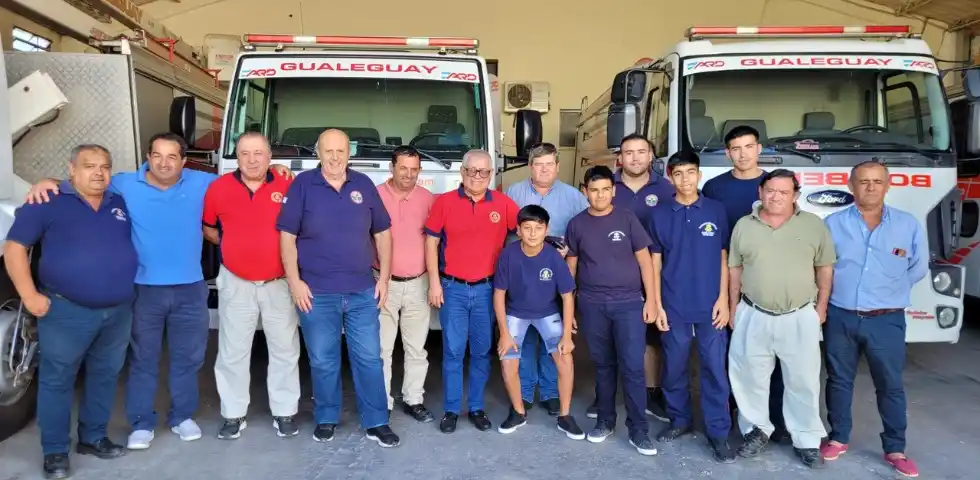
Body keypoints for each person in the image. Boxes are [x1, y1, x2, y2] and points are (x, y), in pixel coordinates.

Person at [24, 133, 293, 450]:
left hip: (190, 287)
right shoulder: (123, 183)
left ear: (183, 161)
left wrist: (276, 168)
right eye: (158, 156)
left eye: (172, 157)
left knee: (188, 358)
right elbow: (87, 181)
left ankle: (182, 417)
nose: (164, 163)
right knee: (143, 358)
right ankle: (142, 423)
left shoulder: (204, 183)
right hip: (144, 289)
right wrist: (48, 182)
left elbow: (247, 176)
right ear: (148, 157)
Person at [4, 145, 137, 479]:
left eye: (104, 167)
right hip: (67, 311)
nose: (98, 173)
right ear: (72, 170)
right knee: (57, 380)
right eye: (89, 166)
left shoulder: (118, 203)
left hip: (117, 311)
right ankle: (55, 452)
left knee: (105, 376)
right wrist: (29, 295)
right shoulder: (46, 201)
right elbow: (15, 248)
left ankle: (93, 437)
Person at [276, 128, 399, 447]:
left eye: (340, 151)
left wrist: (384, 278)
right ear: (318, 153)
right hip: (316, 293)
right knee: (322, 360)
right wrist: (295, 282)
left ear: (349, 153)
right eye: (328, 151)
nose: (334, 157)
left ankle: (376, 421)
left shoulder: (363, 184)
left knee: (369, 359)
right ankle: (327, 417)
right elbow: (287, 237)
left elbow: (383, 233)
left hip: (361, 291)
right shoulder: (302, 185)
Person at [821, 161, 926, 478]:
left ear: (887, 185)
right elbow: (822, 266)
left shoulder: (907, 225)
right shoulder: (832, 223)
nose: (870, 187)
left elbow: (918, 267)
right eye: (863, 181)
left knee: (890, 384)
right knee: (839, 380)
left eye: (877, 182)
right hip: (841, 316)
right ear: (850, 186)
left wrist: (889, 291)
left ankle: (895, 448)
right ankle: (838, 437)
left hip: (886, 319)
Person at [727, 168, 836, 468]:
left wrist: (821, 307)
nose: (776, 197)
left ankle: (807, 440)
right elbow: (735, 268)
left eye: (784, 192)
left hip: (799, 315)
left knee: (803, 381)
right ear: (760, 192)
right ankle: (756, 431)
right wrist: (733, 307)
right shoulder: (744, 225)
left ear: (795, 195)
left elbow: (824, 268)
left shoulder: (813, 225)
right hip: (753, 313)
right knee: (749, 377)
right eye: (770, 190)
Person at [203, 132, 301, 439]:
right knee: (232, 350)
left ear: (270, 157)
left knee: (285, 349)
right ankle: (233, 414)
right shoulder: (219, 188)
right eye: (245, 153)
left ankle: (284, 411)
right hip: (236, 282)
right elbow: (209, 229)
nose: (252, 160)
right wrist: (237, 247)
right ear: (237, 157)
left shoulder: (288, 183)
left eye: (259, 153)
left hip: (279, 282)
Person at [646, 150, 735, 463]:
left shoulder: (715, 210)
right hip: (674, 304)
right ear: (670, 177)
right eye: (678, 173)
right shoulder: (659, 214)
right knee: (674, 366)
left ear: (699, 175)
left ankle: (718, 431)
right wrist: (657, 304)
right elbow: (655, 263)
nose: (685, 179)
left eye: (690, 172)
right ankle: (679, 419)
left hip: (711, 305)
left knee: (714, 368)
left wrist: (724, 300)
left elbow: (724, 257)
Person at [701, 124, 788, 443]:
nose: (743, 154)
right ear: (727, 153)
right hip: (727, 278)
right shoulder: (714, 188)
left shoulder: (773, 185)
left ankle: (775, 420)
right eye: (736, 149)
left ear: (759, 149)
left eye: (749, 147)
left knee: (773, 354)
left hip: (768, 280)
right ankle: (734, 415)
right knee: (732, 353)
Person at [565, 165, 659, 456]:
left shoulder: (627, 219)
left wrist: (651, 300)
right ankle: (605, 421)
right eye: (594, 190)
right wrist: (570, 309)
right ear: (585, 192)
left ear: (613, 191)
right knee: (603, 365)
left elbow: (645, 262)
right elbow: (571, 268)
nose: (600, 195)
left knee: (632, 366)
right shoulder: (577, 224)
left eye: (606, 189)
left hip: (628, 303)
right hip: (592, 303)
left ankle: (638, 429)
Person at [424, 149, 519, 434]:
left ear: (491, 174)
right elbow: (431, 243)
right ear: (462, 172)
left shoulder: (503, 203)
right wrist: (434, 282)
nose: (477, 176)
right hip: (452, 288)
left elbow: (528, 231)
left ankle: (476, 407)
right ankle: (451, 410)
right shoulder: (444, 202)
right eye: (471, 170)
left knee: (481, 352)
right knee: (453, 351)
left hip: (487, 290)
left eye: (484, 171)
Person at [592, 133, 673, 422]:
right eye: (628, 152)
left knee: (653, 337)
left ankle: (651, 393)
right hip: (613, 278)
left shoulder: (667, 189)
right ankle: (605, 395)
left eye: (641, 151)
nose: (635, 158)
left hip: (655, 274)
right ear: (620, 158)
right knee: (608, 338)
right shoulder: (607, 187)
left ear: (651, 156)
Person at [505, 143, 588, 416]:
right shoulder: (513, 193)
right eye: (538, 164)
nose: (544, 169)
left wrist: (569, 252)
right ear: (530, 166)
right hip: (521, 278)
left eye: (549, 164)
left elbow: (586, 233)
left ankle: (551, 392)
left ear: (557, 166)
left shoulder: (574, 197)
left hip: (556, 277)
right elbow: (505, 234)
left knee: (552, 339)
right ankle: (526, 390)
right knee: (526, 338)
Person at [493, 205, 583, 439]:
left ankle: (565, 416)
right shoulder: (509, 254)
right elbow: (499, 294)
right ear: (518, 230)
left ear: (547, 230)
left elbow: (567, 296)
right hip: (516, 313)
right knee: (508, 360)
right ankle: (518, 411)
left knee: (565, 358)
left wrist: (566, 336)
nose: (533, 233)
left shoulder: (553, 257)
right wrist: (504, 333)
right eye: (527, 228)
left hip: (547, 313)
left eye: (538, 228)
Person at [375, 146, 435, 423]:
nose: (409, 174)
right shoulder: (375, 196)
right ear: (392, 167)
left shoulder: (427, 199)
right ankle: (382, 402)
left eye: (414, 169)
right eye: (403, 168)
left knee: (416, 348)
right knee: (382, 349)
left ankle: (414, 399)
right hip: (382, 282)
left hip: (418, 283)